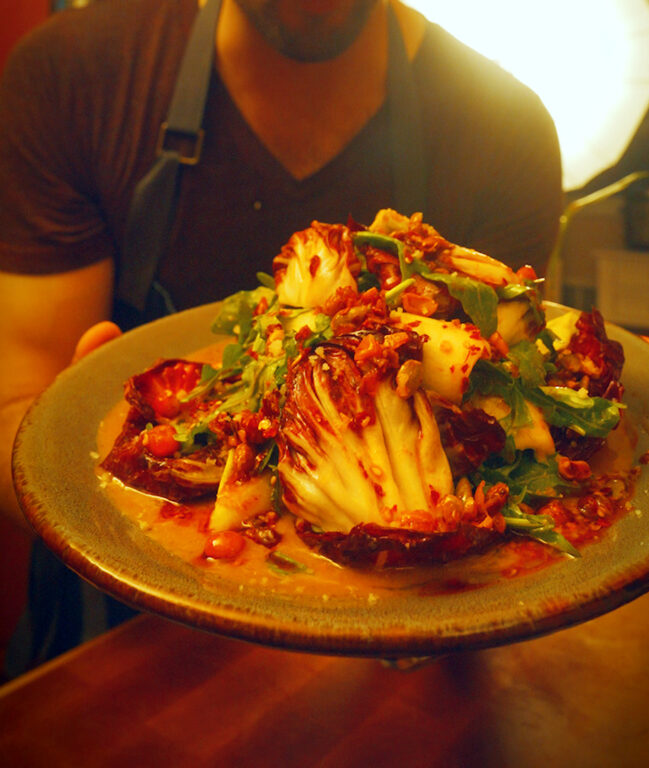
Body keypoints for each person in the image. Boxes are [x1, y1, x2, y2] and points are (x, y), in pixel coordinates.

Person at [0, 0, 562, 673]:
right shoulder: (75, 76)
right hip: (121, 653)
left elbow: (514, 406)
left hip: (407, 669)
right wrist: (86, 475)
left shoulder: (504, 128)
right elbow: (15, 404)